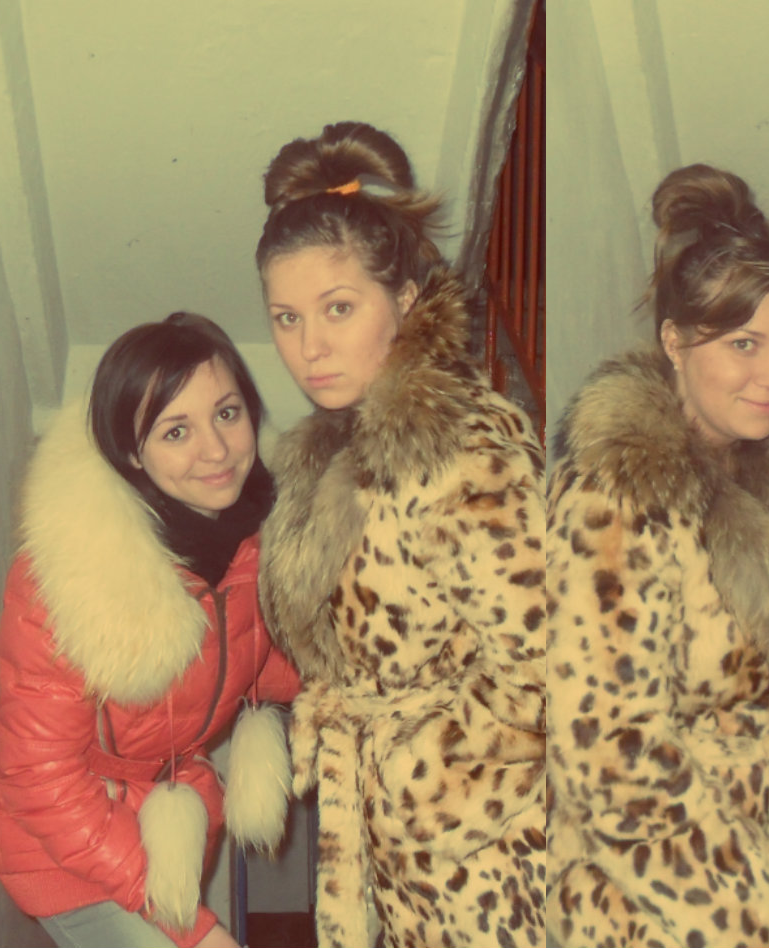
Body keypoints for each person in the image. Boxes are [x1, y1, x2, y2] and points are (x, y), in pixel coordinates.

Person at [545, 163, 769, 948]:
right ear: (675, 342)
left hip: (763, 875)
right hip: (655, 902)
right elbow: (608, 750)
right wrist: (759, 894)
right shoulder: (618, 494)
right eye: (744, 344)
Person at [254, 121, 549, 948]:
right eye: (285, 318)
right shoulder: (332, 452)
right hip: (397, 841)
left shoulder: (461, 445)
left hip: (489, 854)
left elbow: (543, 660)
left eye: (338, 309)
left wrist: (429, 784)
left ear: (408, 301)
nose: (309, 346)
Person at [0, 313, 301, 948]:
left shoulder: (252, 541)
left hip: (161, 816)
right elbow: (39, 777)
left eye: (227, 413)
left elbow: (255, 659)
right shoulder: (67, 578)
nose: (216, 450)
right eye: (176, 431)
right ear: (130, 451)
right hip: (55, 836)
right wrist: (192, 926)